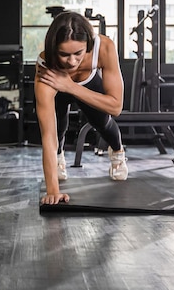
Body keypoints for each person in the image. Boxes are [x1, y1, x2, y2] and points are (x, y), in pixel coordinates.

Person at [34, 11, 127, 205]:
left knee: (101, 122)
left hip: (86, 83)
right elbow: (47, 135)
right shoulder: (45, 65)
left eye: (78, 53)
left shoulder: (104, 47)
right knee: (57, 128)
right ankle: (59, 157)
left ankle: (117, 151)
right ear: (53, 49)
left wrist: (70, 86)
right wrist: (53, 191)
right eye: (64, 54)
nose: (72, 61)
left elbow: (116, 106)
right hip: (56, 84)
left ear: (88, 45)